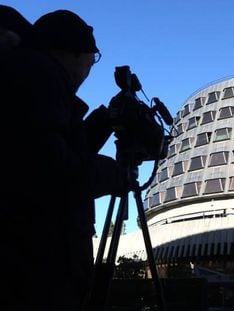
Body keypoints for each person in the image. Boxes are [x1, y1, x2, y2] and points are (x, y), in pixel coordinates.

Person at [0, 8, 124, 310]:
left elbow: (44, 145)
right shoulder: (39, 76)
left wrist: (104, 120)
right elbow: (51, 172)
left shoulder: (24, 75)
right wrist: (115, 173)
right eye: (92, 59)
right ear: (75, 54)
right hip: (39, 268)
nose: (90, 68)